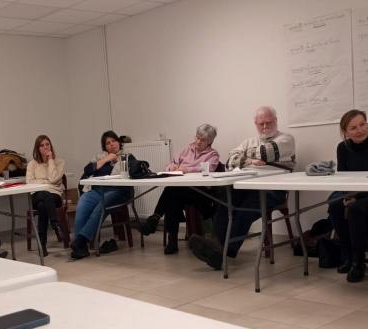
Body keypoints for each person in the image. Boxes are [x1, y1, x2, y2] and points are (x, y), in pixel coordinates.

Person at [189, 106, 296, 269]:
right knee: (225, 198)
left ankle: (225, 251)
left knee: (245, 210)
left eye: (268, 123)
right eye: (261, 124)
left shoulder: (286, 139)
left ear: (276, 121)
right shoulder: (249, 141)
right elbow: (230, 161)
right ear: (255, 124)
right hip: (247, 184)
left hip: (273, 188)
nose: (265, 127)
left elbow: (266, 153)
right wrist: (251, 161)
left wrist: (244, 157)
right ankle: (218, 246)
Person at [327, 110, 368, 283]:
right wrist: (348, 194)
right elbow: (343, 176)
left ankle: (359, 261)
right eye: (353, 127)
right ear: (345, 132)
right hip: (353, 191)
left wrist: (357, 196)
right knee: (334, 205)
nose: (360, 130)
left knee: (356, 209)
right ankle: (347, 255)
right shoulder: (343, 148)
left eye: (362, 124)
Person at [138, 123, 220, 254]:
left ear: (210, 141)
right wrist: (171, 168)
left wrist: (186, 169)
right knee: (173, 198)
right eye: (197, 137)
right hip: (182, 191)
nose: (198, 141)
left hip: (201, 192)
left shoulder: (213, 155)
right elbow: (172, 163)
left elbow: (209, 169)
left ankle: (159, 224)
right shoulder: (187, 149)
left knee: (172, 192)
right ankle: (168, 237)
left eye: (202, 139)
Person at [70, 130, 134, 259]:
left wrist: (116, 160)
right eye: (107, 143)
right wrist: (107, 159)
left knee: (101, 206)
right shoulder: (99, 157)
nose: (111, 144)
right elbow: (87, 170)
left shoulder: (127, 156)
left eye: (114, 141)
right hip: (97, 190)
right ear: (105, 147)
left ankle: (80, 241)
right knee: (82, 203)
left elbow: (132, 172)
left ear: (119, 142)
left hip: (119, 191)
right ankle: (81, 248)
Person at [26, 135, 65, 257]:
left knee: (43, 206)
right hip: (37, 194)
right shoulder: (32, 164)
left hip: (55, 196)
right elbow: (29, 182)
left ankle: (42, 245)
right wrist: (46, 184)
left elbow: (53, 178)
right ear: (37, 148)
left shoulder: (60, 162)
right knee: (44, 195)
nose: (45, 147)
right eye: (42, 145)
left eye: (47, 144)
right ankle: (55, 223)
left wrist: (50, 160)